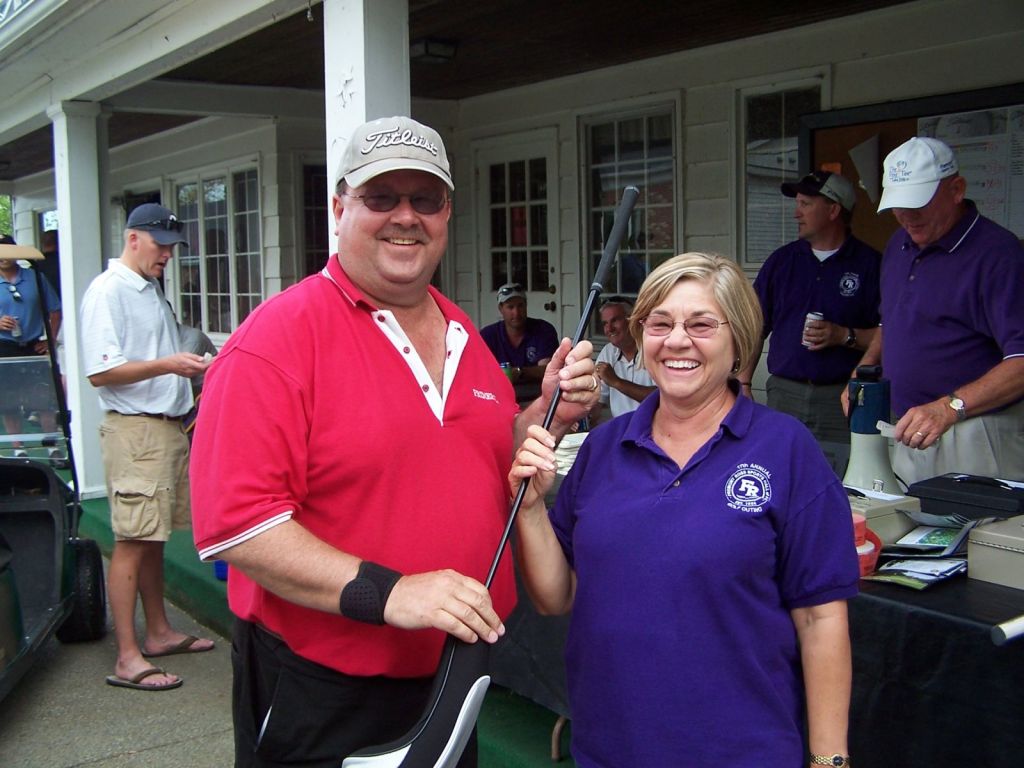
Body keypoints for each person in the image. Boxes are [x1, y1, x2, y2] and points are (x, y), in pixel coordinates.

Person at [188, 116, 599, 768]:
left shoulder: (462, 328)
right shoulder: (276, 341)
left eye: (425, 199)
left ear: (446, 213)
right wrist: (393, 591)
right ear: (340, 207)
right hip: (325, 691)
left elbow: (481, 456)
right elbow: (235, 526)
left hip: (452, 675)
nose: (405, 217)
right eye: (383, 198)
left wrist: (547, 412)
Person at [510, 252, 858, 768]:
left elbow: (821, 617)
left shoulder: (786, 449)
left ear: (738, 340)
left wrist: (831, 761)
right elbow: (555, 598)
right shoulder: (603, 449)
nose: (677, 340)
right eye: (660, 323)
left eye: (701, 325)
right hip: (612, 747)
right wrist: (531, 507)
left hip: (744, 751)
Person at [80, 203, 215, 693]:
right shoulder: (108, 291)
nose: (167, 256)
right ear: (133, 238)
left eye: (171, 248)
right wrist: (169, 366)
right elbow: (101, 371)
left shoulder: (149, 288)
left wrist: (188, 372)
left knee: (153, 537)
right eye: (160, 246)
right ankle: (127, 657)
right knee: (132, 543)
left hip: (163, 429)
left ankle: (157, 634)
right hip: (135, 432)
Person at [846, 137, 1024, 484]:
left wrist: (949, 407)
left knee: (974, 534)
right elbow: (893, 320)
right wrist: (863, 369)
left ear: (956, 189)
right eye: (898, 204)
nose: (906, 216)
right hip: (906, 428)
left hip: (974, 431)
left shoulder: (1000, 254)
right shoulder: (899, 244)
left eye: (918, 203)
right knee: (904, 532)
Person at [741, 171, 880, 447]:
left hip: (841, 396)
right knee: (780, 472)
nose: (796, 213)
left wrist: (843, 336)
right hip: (784, 392)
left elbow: (890, 335)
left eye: (805, 204)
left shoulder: (870, 264)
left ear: (833, 210)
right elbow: (754, 327)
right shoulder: (782, 262)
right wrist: (743, 382)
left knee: (838, 479)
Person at [0, 236, 62, 455]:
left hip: (34, 345)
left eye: (8, 252)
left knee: (43, 397)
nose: (4, 258)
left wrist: (50, 340)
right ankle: (19, 448)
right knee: (9, 400)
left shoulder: (34, 277)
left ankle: (52, 445)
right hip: (5, 346)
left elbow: (55, 309)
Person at [589, 296, 655, 423]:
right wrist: (581, 415)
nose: (609, 329)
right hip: (621, 429)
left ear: (632, 320)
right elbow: (597, 402)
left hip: (652, 429)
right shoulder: (609, 351)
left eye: (615, 320)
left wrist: (616, 382)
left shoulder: (652, 349)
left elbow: (662, 398)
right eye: (605, 324)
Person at [479, 282, 559, 384]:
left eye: (520, 306)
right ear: (500, 308)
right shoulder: (488, 335)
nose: (516, 313)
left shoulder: (544, 330)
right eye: (510, 307)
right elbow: (478, 371)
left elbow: (548, 370)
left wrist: (519, 372)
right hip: (500, 395)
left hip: (536, 394)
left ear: (526, 305)